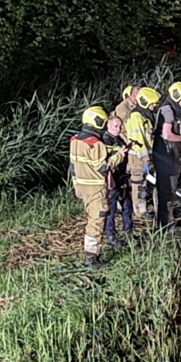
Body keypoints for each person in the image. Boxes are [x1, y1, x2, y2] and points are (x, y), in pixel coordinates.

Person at [69, 106, 113, 267]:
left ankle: (91, 254)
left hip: (82, 186)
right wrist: (119, 156)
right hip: (95, 188)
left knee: (91, 218)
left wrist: (76, 185)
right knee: (96, 221)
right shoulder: (96, 144)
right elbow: (103, 167)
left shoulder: (74, 140)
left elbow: (72, 166)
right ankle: (91, 257)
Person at [152, 81, 181, 228]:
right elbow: (166, 134)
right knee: (166, 190)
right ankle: (163, 225)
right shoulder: (168, 110)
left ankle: (167, 219)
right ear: (177, 97)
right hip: (165, 156)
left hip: (169, 156)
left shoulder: (170, 109)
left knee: (169, 189)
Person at [125, 86, 160, 219]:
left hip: (148, 157)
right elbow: (138, 139)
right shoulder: (136, 117)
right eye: (153, 103)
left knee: (148, 184)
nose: (155, 105)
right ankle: (140, 212)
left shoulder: (148, 115)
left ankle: (151, 207)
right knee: (139, 185)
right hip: (138, 157)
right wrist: (146, 159)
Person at [101, 115, 132, 246]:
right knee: (111, 209)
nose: (118, 129)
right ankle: (109, 234)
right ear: (108, 125)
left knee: (127, 207)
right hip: (112, 178)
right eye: (115, 126)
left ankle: (128, 233)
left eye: (120, 126)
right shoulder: (105, 140)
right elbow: (106, 162)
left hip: (122, 176)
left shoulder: (118, 139)